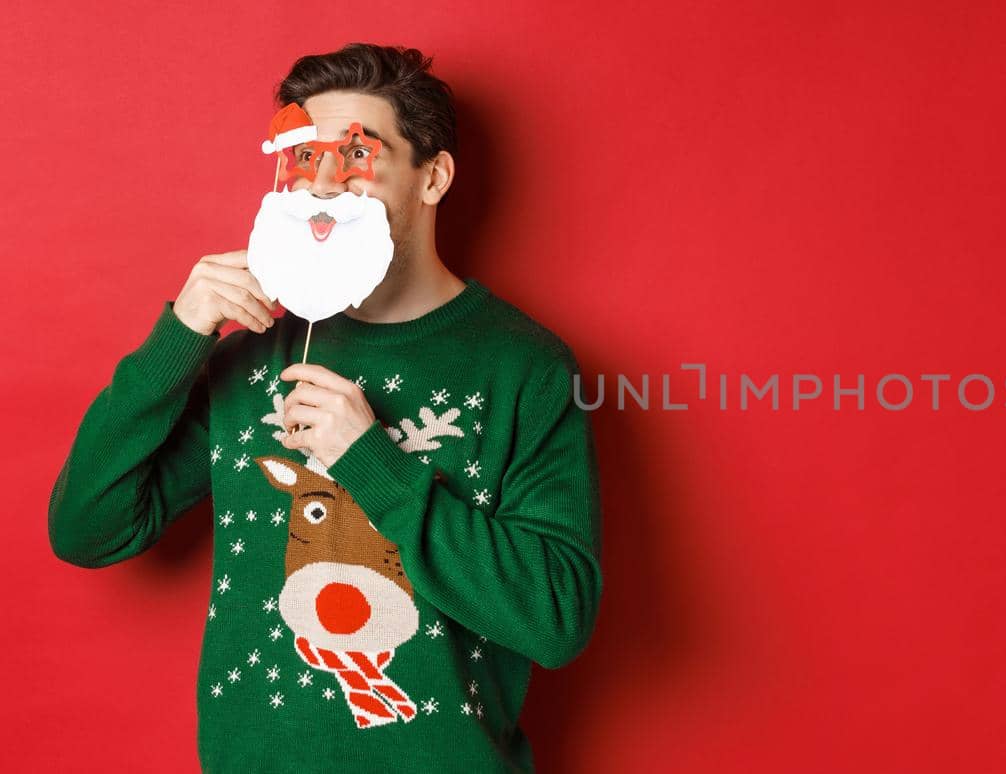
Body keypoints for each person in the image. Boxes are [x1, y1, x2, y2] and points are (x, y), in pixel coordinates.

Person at [46, 43, 602, 773]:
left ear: (432, 177)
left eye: (357, 154)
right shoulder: (253, 356)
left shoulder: (524, 366)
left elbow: (557, 619)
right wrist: (177, 340)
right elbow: (87, 530)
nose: (327, 183)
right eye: (307, 159)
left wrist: (370, 462)